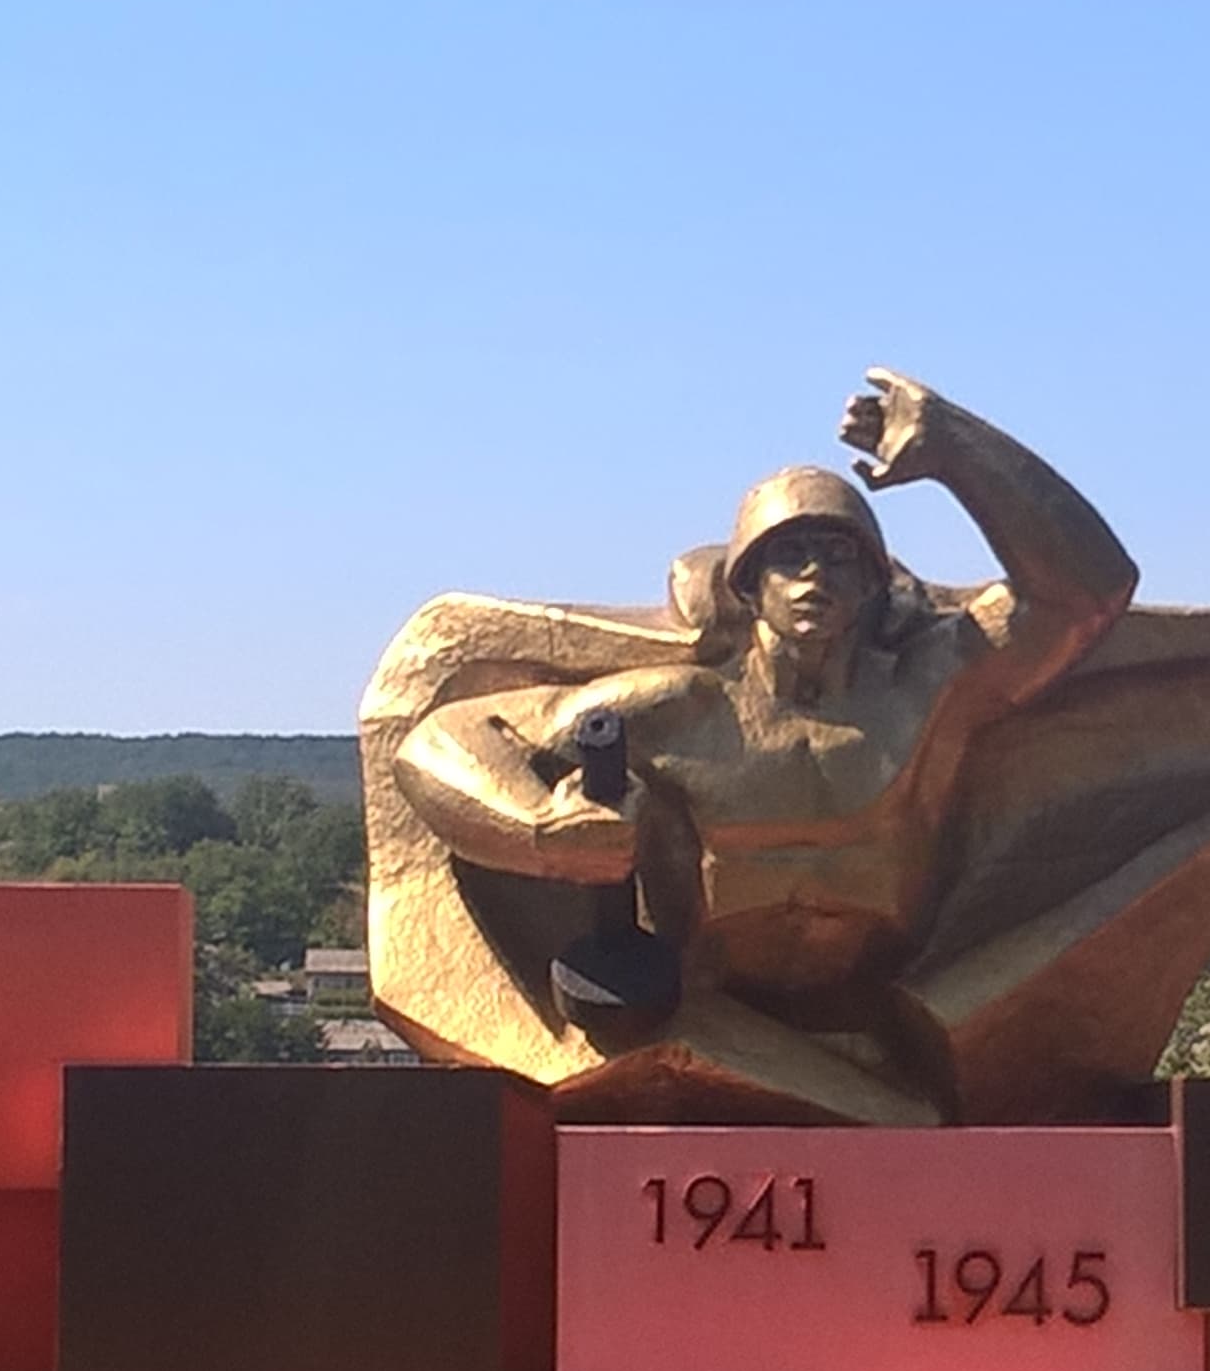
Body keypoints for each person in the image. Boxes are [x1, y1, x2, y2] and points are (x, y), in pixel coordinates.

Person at [392, 370, 1137, 1122]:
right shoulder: (678, 709)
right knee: (903, 1125)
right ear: (748, 587)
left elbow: (1087, 593)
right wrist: (542, 828)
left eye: (840, 555)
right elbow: (442, 740)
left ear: (876, 585)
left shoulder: (932, 686)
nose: (816, 572)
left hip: (886, 1016)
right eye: (790, 555)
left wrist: (955, 449)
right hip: (703, 1019)